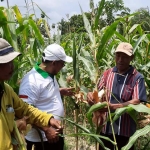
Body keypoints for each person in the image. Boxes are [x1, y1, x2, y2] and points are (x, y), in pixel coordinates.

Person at [0, 38, 63, 150]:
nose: (12, 67)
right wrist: (46, 129)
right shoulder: (31, 80)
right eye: (7, 62)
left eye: (12, 62)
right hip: (40, 140)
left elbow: (25, 109)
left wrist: (49, 119)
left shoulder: (6, 90)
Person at [87, 42, 147, 150]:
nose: (120, 60)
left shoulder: (137, 78)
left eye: (124, 57)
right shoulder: (107, 74)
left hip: (125, 132)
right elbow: (98, 93)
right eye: (118, 56)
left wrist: (113, 107)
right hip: (105, 129)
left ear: (131, 58)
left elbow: (136, 102)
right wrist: (91, 97)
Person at [19, 43, 74, 150]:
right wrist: (46, 129)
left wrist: (60, 91)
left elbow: (42, 92)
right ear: (54, 63)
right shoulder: (30, 82)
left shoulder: (49, 73)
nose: (63, 67)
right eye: (62, 64)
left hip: (53, 136)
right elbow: (24, 112)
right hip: (42, 140)